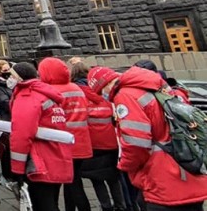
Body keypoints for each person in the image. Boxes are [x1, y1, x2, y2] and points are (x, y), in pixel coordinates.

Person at [93, 65, 207, 210]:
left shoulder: (125, 95)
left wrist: (126, 166)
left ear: (105, 85)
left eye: (100, 91)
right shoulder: (157, 86)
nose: (104, 96)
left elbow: (136, 142)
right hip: (186, 166)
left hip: (162, 176)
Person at [9, 62, 73, 211]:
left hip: (39, 161)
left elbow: (22, 134)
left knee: (43, 204)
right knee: (52, 202)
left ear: (20, 78)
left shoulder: (27, 96)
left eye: (11, 76)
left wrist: (17, 168)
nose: (9, 79)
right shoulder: (46, 92)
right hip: (56, 156)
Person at [38, 57, 92, 211]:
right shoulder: (76, 88)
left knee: (65, 185)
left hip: (62, 145)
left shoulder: (52, 91)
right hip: (82, 142)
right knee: (73, 182)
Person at [82, 67, 126, 211]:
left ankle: (106, 207)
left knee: (97, 181)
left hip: (94, 148)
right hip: (111, 147)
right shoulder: (108, 104)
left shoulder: (85, 105)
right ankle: (121, 206)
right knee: (114, 180)